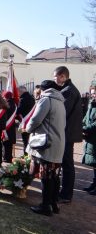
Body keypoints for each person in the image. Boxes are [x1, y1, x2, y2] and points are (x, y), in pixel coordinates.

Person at [27, 80, 66, 216]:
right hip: (58, 142)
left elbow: (36, 119)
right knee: (54, 176)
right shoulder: (60, 101)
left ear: (44, 89)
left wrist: (27, 128)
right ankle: (53, 204)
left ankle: (45, 206)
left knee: (46, 176)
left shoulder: (46, 99)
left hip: (47, 143)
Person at [53, 66, 82, 203]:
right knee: (66, 164)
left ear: (63, 76)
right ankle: (65, 193)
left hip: (66, 133)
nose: (55, 79)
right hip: (68, 132)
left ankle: (65, 194)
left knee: (67, 164)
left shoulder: (68, 91)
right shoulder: (69, 89)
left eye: (56, 77)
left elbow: (62, 112)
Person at [82, 87, 96, 196]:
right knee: (95, 164)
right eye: (92, 93)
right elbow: (86, 119)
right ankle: (94, 184)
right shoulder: (92, 104)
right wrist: (81, 126)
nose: (93, 95)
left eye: (95, 93)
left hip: (93, 136)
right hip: (91, 138)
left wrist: (85, 129)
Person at [17, 85, 35, 154]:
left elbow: (20, 110)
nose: (18, 94)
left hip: (25, 122)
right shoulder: (32, 98)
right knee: (30, 140)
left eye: (18, 92)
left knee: (25, 140)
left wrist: (15, 110)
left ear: (20, 92)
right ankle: (30, 155)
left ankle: (26, 155)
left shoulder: (23, 99)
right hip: (31, 121)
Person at [2, 91, 17, 163]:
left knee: (6, 142)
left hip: (7, 125)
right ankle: (8, 157)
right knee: (9, 143)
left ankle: (6, 157)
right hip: (11, 125)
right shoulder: (13, 103)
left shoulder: (7, 104)